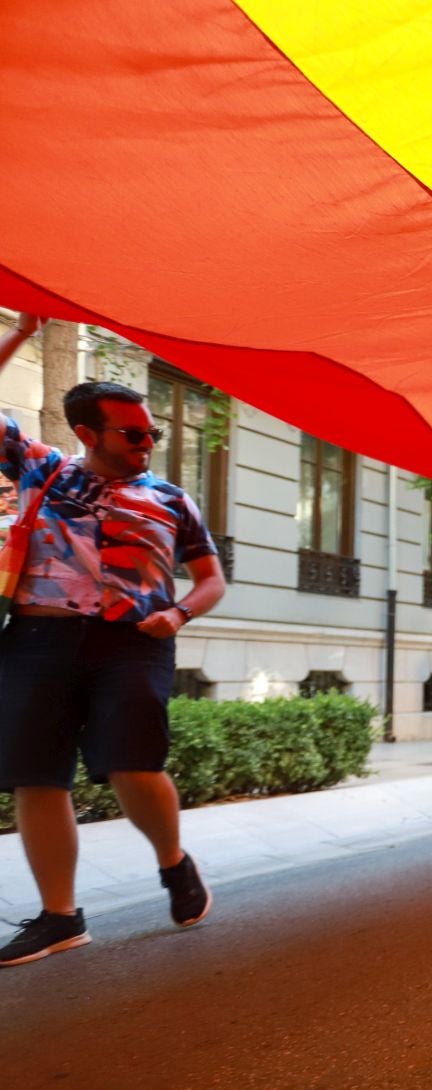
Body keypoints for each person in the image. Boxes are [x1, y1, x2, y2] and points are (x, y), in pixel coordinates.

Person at [0, 328, 227, 966]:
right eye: (133, 434)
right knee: (37, 777)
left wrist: (179, 614)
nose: (148, 444)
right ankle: (60, 916)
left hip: (134, 642)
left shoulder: (171, 500)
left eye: (151, 432)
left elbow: (211, 580)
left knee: (133, 766)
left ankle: (174, 862)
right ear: (87, 432)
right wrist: (19, 330)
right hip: (38, 639)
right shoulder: (43, 470)